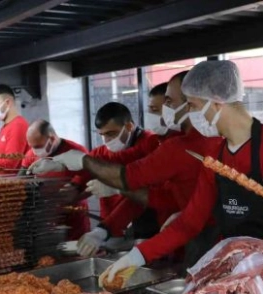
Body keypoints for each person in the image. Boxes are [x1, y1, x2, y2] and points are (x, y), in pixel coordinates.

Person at [100, 60, 263, 283]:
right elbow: (190, 222)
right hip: (235, 272)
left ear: (215, 104)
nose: (191, 114)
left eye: (193, 106)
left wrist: (255, 255)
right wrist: (138, 255)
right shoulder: (215, 156)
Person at [59, 70, 223, 264]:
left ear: (192, 105)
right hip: (176, 233)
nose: (157, 114)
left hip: (201, 236)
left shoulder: (185, 145)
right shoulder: (164, 142)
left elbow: (132, 176)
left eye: (165, 105)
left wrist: (88, 164)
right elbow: (139, 178)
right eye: (152, 109)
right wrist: (104, 227)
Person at [30, 102, 161, 253]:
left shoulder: (150, 143)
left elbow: (126, 165)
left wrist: (103, 229)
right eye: (102, 135)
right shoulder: (104, 152)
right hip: (112, 226)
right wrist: (71, 182)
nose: (107, 140)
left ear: (129, 126)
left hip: (149, 222)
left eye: (111, 134)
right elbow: (94, 164)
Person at [20, 119, 90, 240]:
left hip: (74, 218)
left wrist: (74, 193)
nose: (35, 151)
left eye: (38, 147)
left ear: (51, 139)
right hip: (46, 219)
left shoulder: (76, 152)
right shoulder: (31, 155)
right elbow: (20, 180)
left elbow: (91, 185)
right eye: (32, 147)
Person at [0, 84, 30, 171]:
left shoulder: (18, 126)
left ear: (7, 102)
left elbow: (10, 164)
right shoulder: (5, 126)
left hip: (15, 183)